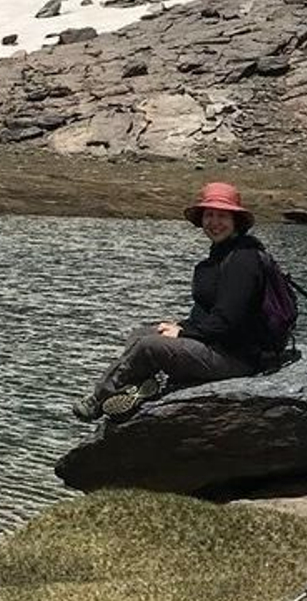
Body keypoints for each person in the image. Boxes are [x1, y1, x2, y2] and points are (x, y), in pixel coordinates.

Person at [76, 181, 275, 423]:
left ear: (236, 221)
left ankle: (99, 400)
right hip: (219, 345)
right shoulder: (221, 255)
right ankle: (137, 391)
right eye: (209, 215)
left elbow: (227, 321)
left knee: (149, 346)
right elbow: (211, 312)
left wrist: (183, 332)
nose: (214, 222)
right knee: (141, 334)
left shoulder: (243, 260)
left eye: (222, 216)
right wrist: (181, 325)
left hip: (237, 359)